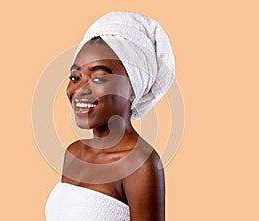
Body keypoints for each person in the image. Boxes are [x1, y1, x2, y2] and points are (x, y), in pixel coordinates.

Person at [45, 11, 175, 221]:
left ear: (133, 89)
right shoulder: (73, 154)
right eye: (75, 77)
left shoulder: (139, 164)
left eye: (98, 79)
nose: (80, 90)